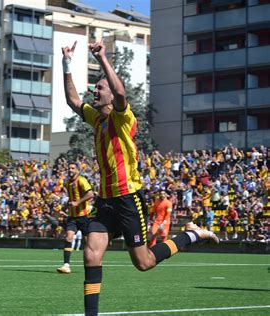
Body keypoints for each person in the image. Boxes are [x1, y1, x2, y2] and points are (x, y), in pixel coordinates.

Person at [61, 39, 219, 315]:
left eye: (99, 89)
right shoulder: (96, 119)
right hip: (106, 201)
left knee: (144, 262)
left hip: (128, 198)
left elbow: (121, 93)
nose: (93, 92)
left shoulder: (123, 117)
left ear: (110, 95)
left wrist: (102, 60)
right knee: (90, 253)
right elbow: (73, 100)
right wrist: (66, 64)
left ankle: (191, 235)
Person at [57, 162, 94, 274]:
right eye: (69, 168)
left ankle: (92, 264)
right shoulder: (68, 183)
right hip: (72, 217)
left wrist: (77, 202)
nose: (70, 170)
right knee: (68, 238)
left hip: (84, 216)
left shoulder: (82, 180)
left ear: (77, 170)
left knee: (88, 243)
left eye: (73, 168)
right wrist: (65, 206)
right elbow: (72, 199)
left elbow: (91, 194)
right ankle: (66, 265)